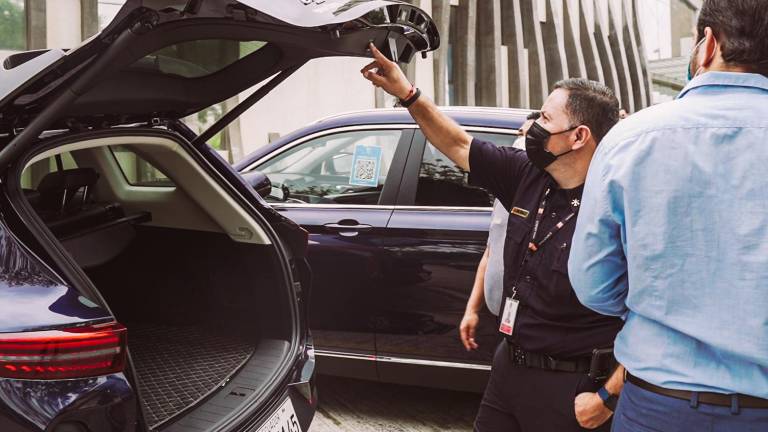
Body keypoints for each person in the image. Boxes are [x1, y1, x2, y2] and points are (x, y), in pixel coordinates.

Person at [362, 44, 624, 431]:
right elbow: (457, 144)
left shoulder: (617, 205)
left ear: (578, 136)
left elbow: (654, 316)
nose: (534, 126)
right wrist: (408, 94)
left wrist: (606, 398)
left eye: (545, 119)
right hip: (509, 368)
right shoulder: (526, 173)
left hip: (574, 386)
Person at [569, 0, 768, 430]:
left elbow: (592, 283)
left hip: (661, 403)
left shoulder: (631, 138)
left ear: (708, 44)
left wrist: (661, 305)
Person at [460, 111, 540, 353]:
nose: (522, 141)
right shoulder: (504, 196)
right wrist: (472, 309)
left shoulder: (541, 198)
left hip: (529, 324)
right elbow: (490, 251)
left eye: (531, 135)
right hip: (500, 313)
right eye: (520, 133)